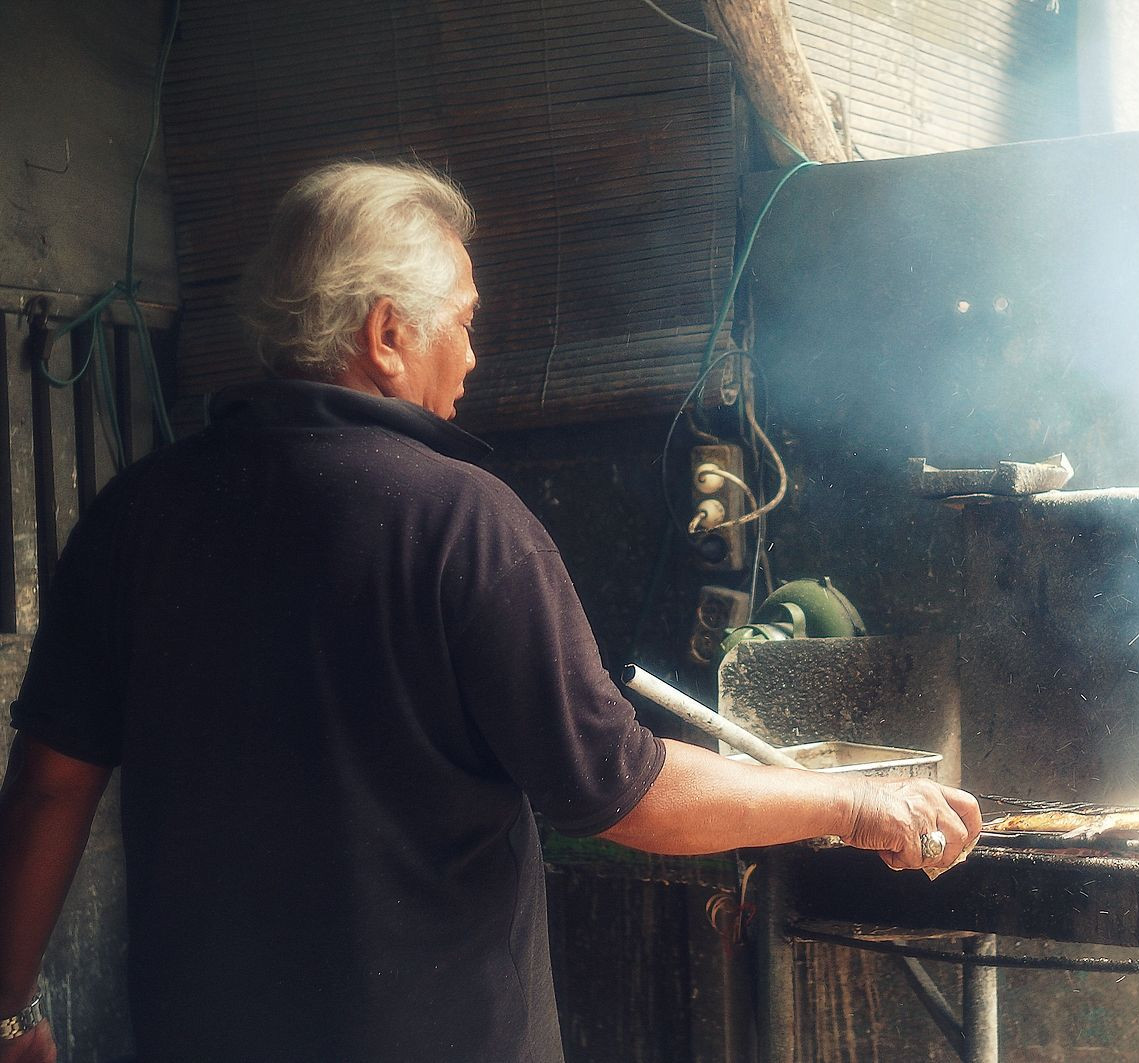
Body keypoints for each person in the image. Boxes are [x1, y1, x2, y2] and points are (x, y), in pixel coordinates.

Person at [0, 161, 981, 1063]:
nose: (471, 358)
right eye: (463, 323)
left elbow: (48, 786)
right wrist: (852, 804)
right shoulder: (464, 523)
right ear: (388, 335)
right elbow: (624, 791)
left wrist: (8, 1009)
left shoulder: (134, 515)